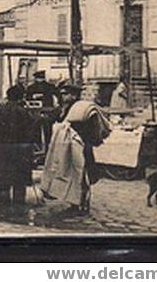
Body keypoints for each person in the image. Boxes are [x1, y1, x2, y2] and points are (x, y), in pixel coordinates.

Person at [42, 84, 110, 215]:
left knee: (82, 176)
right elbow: (54, 118)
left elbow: (93, 130)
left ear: (73, 95)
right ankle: (75, 203)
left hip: (82, 146)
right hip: (69, 147)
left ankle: (82, 204)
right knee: (72, 175)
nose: (63, 96)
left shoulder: (81, 109)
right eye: (62, 94)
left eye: (66, 94)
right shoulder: (65, 108)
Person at [0, 85, 36, 219]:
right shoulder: (24, 113)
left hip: (2, 152)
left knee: (3, 183)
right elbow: (30, 134)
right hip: (19, 153)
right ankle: (18, 210)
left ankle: (3, 210)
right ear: (21, 97)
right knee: (19, 183)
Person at [25, 70, 58, 149]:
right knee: (47, 129)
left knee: (36, 129)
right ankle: (47, 146)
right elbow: (58, 95)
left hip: (35, 111)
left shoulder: (31, 87)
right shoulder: (50, 86)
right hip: (47, 110)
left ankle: (39, 147)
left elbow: (27, 98)